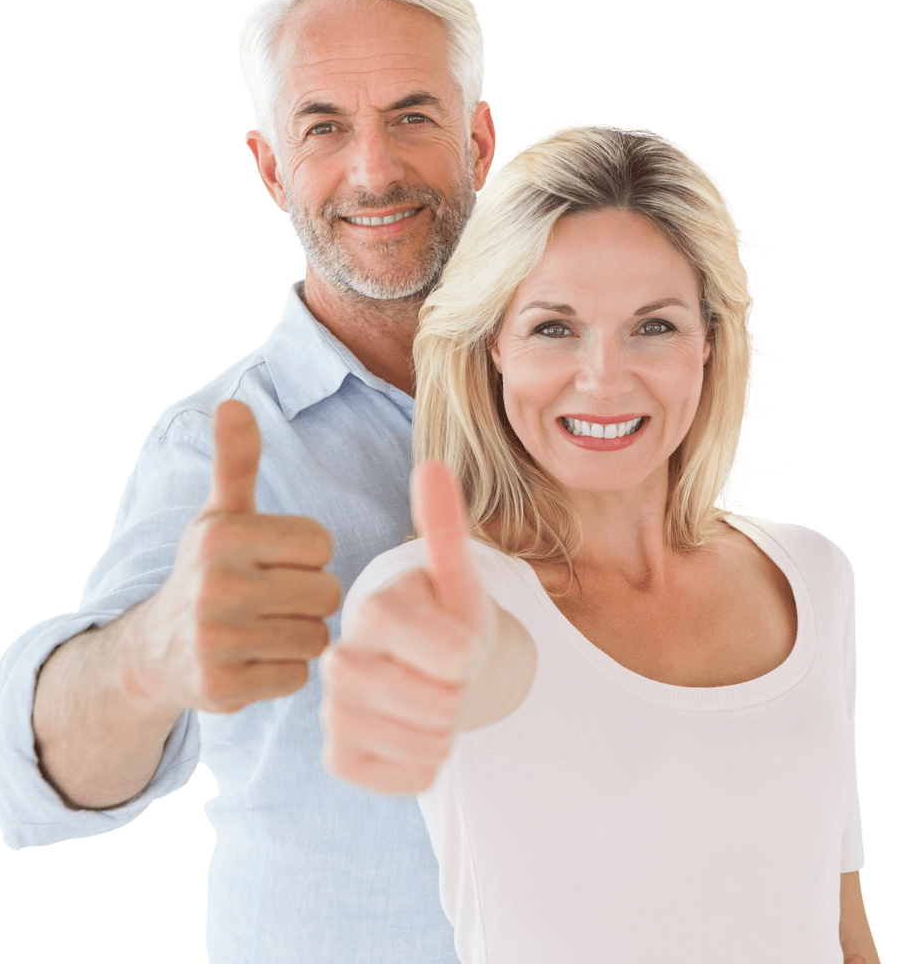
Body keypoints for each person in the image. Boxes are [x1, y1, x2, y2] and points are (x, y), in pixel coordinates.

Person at [0, 0, 496, 963]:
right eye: (324, 129)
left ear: (478, 138)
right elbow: (28, 782)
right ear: (270, 167)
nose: (373, 168)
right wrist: (152, 657)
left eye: (412, 117)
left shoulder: (587, 401)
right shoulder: (222, 446)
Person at [320, 123, 881, 963]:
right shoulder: (441, 598)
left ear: (709, 343)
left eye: (652, 326)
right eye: (554, 328)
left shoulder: (811, 577)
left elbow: (842, 929)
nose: (605, 378)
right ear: (493, 349)